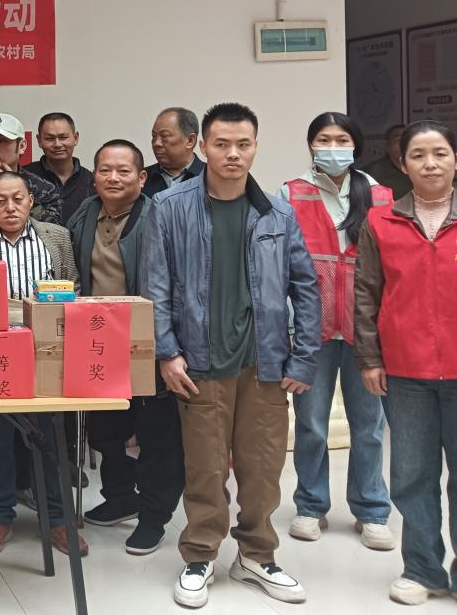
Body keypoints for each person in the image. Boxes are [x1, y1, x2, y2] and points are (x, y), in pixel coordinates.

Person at [144, 102, 320, 608]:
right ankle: (200, 556)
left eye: (243, 144)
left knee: (262, 470)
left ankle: (257, 556)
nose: (233, 154)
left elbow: (306, 287)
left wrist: (304, 357)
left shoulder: (277, 213)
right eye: (221, 144)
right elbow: (155, 285)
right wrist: (167, 352)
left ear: (256, 147)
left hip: (264, 363)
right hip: (200, 363)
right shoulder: (169, 207)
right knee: (204, 470)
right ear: (203, 146)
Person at [0, 171, 85, 559]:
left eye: (17, 199)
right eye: (0, 200)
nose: (10, 207)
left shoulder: (56, 236)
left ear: (31, 201)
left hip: (43, 352)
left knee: (51, 435)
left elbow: (73, 288)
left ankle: (57, 517)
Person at [355, 120, 457, 606]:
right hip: (406, 370)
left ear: (455, 159)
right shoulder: (380, 222)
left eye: (440, 153)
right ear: (403, 163)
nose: (430, 163)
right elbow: (366, 293)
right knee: (412, 475)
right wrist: (370, 357)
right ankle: (422, 568)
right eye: (418, 155)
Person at [282, 113, 394, 551]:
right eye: (324, 139)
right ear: (311, 145)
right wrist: (289, 327)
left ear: (356, 145)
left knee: (369, 425)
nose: (332, 147)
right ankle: (311, 506)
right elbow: (280, 267)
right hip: (311, 329)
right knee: (311, 424)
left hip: (366, 328)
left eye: (341, 139)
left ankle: (372, 510)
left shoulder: (380, 195)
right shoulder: (292, 193)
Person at [69, 141, 183, 556]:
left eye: (123, 171)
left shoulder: (160, 216)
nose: (113, 178)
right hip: (100, 343)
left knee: (155, 435)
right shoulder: (84, 214)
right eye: (104, 170)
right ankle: (120, 497)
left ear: (141, 177)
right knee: (106, 431)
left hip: (150, 342)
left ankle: (154, 516)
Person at [29, 112, 94, 223]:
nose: (57, 144)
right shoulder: (24, 178)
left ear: (75, 138)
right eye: (49, 138)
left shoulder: (92, 181)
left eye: (63, 137)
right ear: (39, 140)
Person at [143, 107, 205, 199]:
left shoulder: (212, 178)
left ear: (190, 140)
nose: (156, 143)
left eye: (164, 136)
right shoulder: (141, 178)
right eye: (154, 136)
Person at [364, 123, 410, 199]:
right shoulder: (373, 172)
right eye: (398, 140)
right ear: (388, 146)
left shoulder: (422, 167)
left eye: (407, 140)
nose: (404, 144)